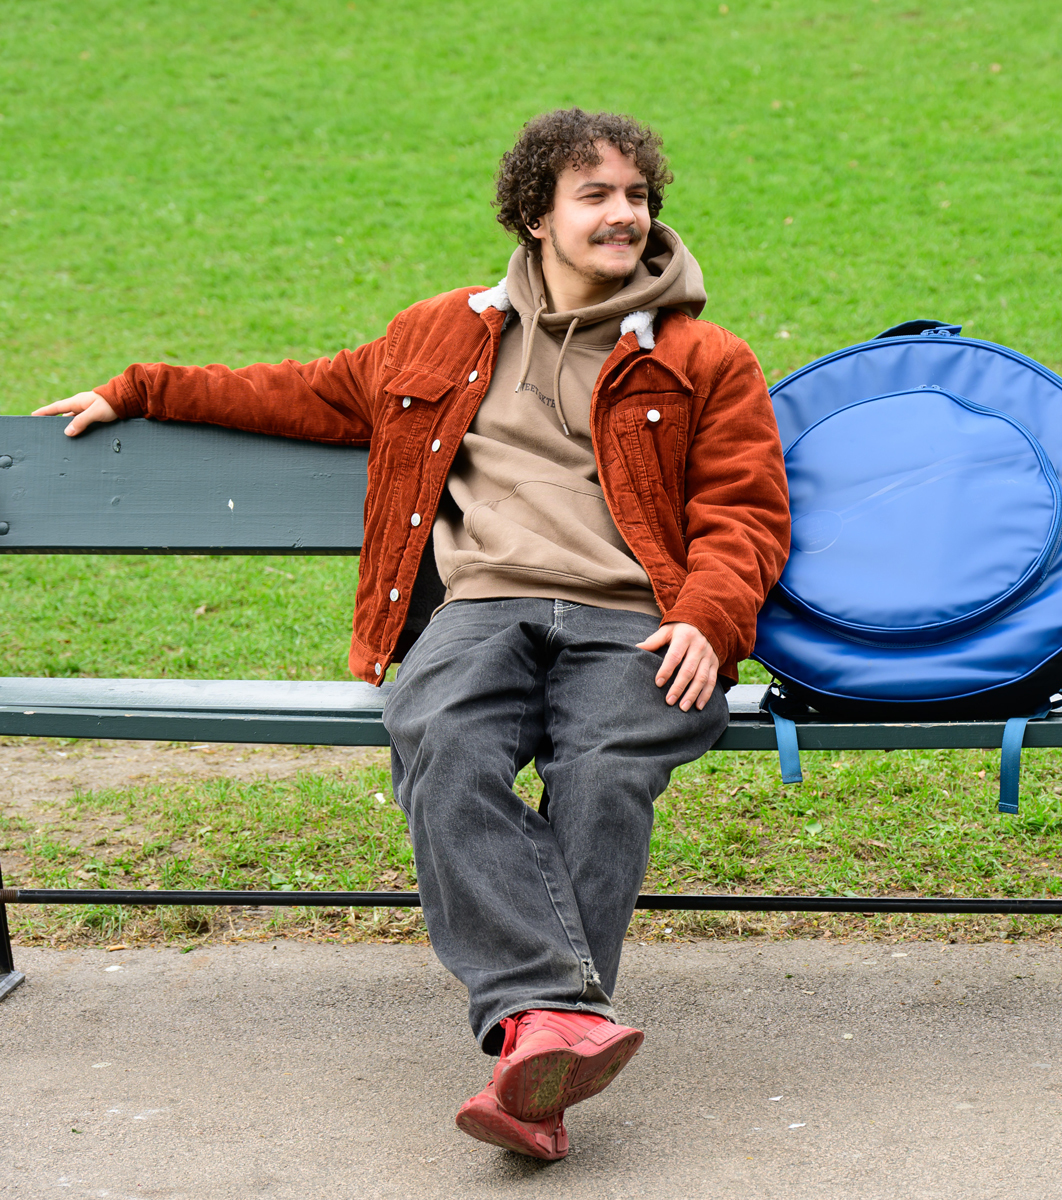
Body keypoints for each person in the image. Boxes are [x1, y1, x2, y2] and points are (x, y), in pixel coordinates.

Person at [35, 108, 791, 1161]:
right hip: (481, 610)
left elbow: (745, 512)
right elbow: (298, 393)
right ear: (534, 215)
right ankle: (559, 1025)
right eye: (597, 196)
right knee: (444, 750)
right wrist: (142, 388)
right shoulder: (441, 333)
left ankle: (537, 1050)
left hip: (636, 619)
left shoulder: (705, 358)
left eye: (638, 196)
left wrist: (709, 621)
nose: (626, 216)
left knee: (605, 771)